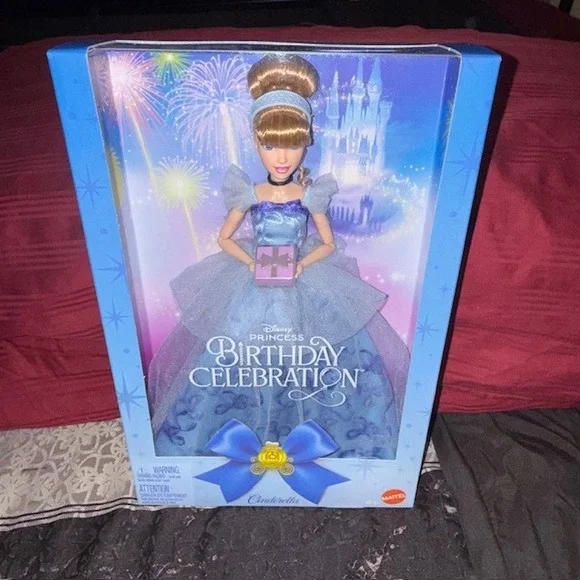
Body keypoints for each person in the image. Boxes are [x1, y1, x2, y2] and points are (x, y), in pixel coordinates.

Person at [149, 54, 409, 460]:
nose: (282, 157)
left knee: (320, 353)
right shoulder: (249, 193)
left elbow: (328, 244)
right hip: (253, 277)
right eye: (270, 145)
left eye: (293, 144)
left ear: (307, 143)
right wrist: (250, 262)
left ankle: (320, 436)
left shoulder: (311, 194)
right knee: (235, 351)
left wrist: (303, 264)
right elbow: (224, 238)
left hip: (302, 276)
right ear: (257, 143)